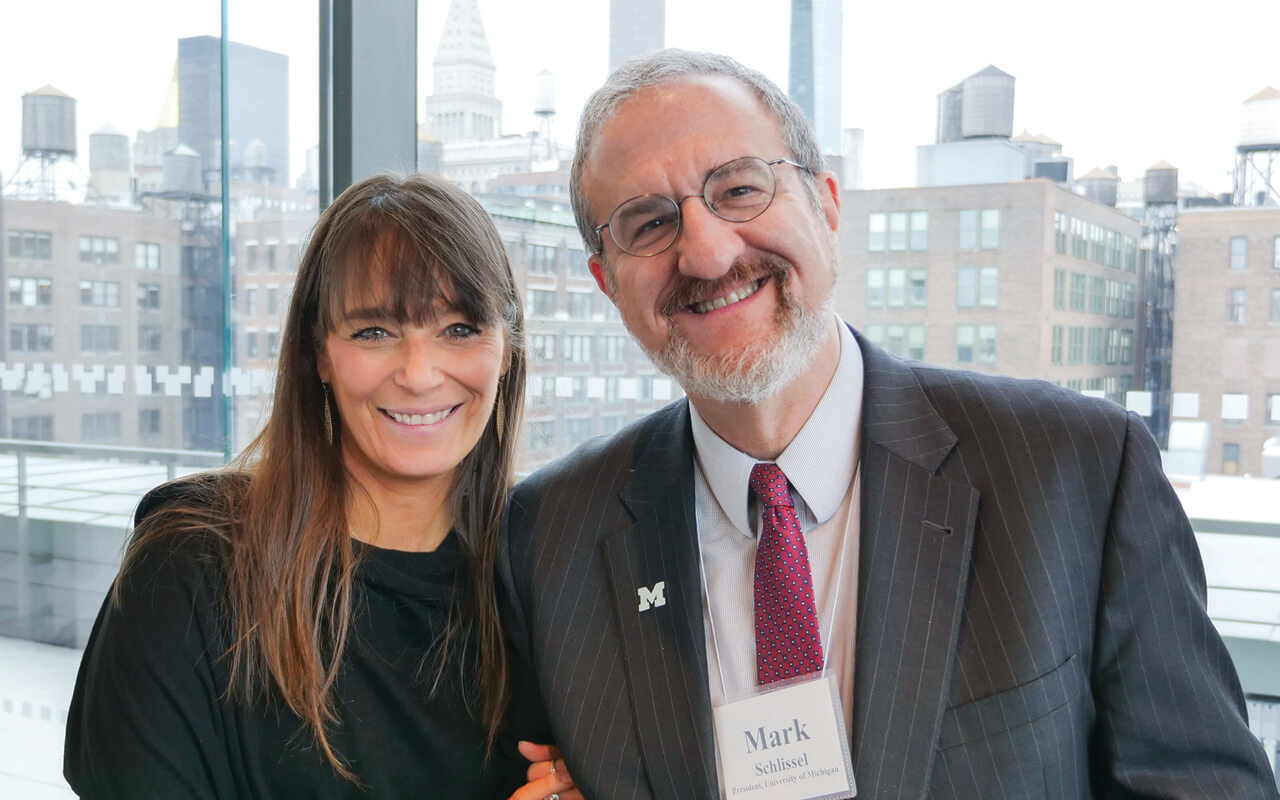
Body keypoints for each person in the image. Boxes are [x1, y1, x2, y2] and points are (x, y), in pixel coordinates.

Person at [500, 50, 1280, 800]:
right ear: (607, 284)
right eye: (648, 224)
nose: (706, 252)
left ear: (827, 204)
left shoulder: (1075, 470)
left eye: (738, 189)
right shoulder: (549, 535)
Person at [65, 172, 580, 800]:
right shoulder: (191, 567)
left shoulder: (547, 575)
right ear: (319, 354)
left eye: (459, 329)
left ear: (506, 351)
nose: (419, 375)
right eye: (374, 332)